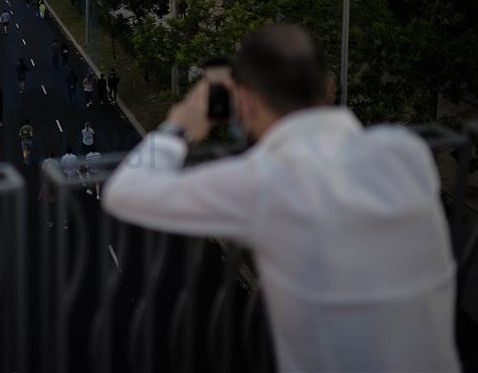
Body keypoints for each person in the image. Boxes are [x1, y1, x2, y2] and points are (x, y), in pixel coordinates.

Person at [102, 24, 459, 373]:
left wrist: (178, 126)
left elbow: (124, 192)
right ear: (329, 89)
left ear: (245, 101)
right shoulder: (406, 153)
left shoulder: (265, 181)